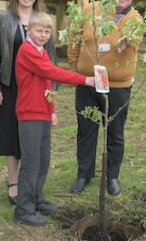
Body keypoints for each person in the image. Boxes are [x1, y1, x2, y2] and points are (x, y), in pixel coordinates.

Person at [13, 12, 95, 226]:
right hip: (29, 114)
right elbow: (53, 73)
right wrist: (85, 79)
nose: (43, 35)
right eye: (38, 30)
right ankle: (23, 210)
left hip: (42, 113)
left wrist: (51, 110)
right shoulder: (27, 51)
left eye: (47, 31)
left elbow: (47, 84)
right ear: (28, 30)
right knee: (31, 163)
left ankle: (37, 199)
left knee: (42, 160)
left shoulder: (40, 52)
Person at [67, 0, 143, 196]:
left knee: (115, 133)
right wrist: (74, 69)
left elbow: (136, 34)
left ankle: (112, 177)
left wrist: (127, 39)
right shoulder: (90, 10)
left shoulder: (135, 18)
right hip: (88, 83)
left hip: (118, 86)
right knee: (86, 130)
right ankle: (84, 174)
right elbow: (74, 38)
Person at [0, 0, 57, 205]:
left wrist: (52, 94)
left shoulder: (43, 20)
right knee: (9, 133)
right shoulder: (4, 19)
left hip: (36, 88)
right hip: (10, 85)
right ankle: (14, 182)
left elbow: (52, 60)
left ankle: (33, 186)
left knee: (32, 136)